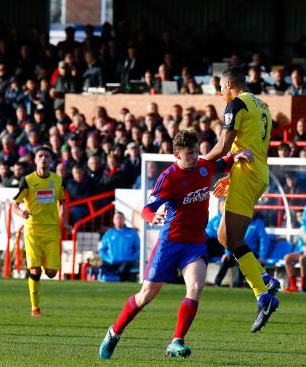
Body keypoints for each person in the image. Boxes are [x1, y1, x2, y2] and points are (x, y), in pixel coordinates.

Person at [99, 130, 251, 359]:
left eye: (196, 150)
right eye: (189, 153)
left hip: (195, 244)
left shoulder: (203, 166)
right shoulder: (168, 177)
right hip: (169, 243)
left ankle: (176, 341)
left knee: (196, 287)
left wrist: (238, 155)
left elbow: (221, 164)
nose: (195, 156)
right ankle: (115, 331)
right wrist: (154, 218)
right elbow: (147, 210)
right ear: (176, 155)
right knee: (146, 295)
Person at [204, 66, 280, 333]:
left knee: (232, 240)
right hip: (256, 172)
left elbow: (225, 145)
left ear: (228, 85)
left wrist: (200, 163)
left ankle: (264, 292)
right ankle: (264, 282)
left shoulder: (236, 105)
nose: (220, 92)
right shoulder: (263, 105)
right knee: (226, 237)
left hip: (247, 173)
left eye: (221, 88)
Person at [10, 146, 71, 318]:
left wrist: (64, 222)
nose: (43, 158)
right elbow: (14, 204)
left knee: (51, 273)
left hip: (52, 231)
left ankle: (43, 261)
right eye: (40, 156)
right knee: (35, 271)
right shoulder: (28, 180)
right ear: (36, 160)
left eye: (47, 156)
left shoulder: (58, 180)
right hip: (33, 231)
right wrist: (22, 212)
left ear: (51, 161)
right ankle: (35, 308)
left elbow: (61, 202)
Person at [214, 215, 271, 287]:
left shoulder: (258, 223)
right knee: (227, 259)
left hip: (251, 252)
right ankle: (217, 282)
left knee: (241, 256)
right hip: (236, 250)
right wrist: (227, 253)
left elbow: (264, 239)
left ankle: (239, 283)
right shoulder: (238, 222)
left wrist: (262, 256)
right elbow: (230, 238)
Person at [98, 212, 140, 282]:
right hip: (110, 263)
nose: (119, 220)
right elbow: (101, 250)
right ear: (113, 220)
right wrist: (108, 259)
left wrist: (131, 259)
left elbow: (138, 249)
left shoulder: (132, 233)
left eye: (121, 218)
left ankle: (117, 279)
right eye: (117, 218)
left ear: (124, 220)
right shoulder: (109, 233)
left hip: (125, 263)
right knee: (102, 269)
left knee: (124, 269)